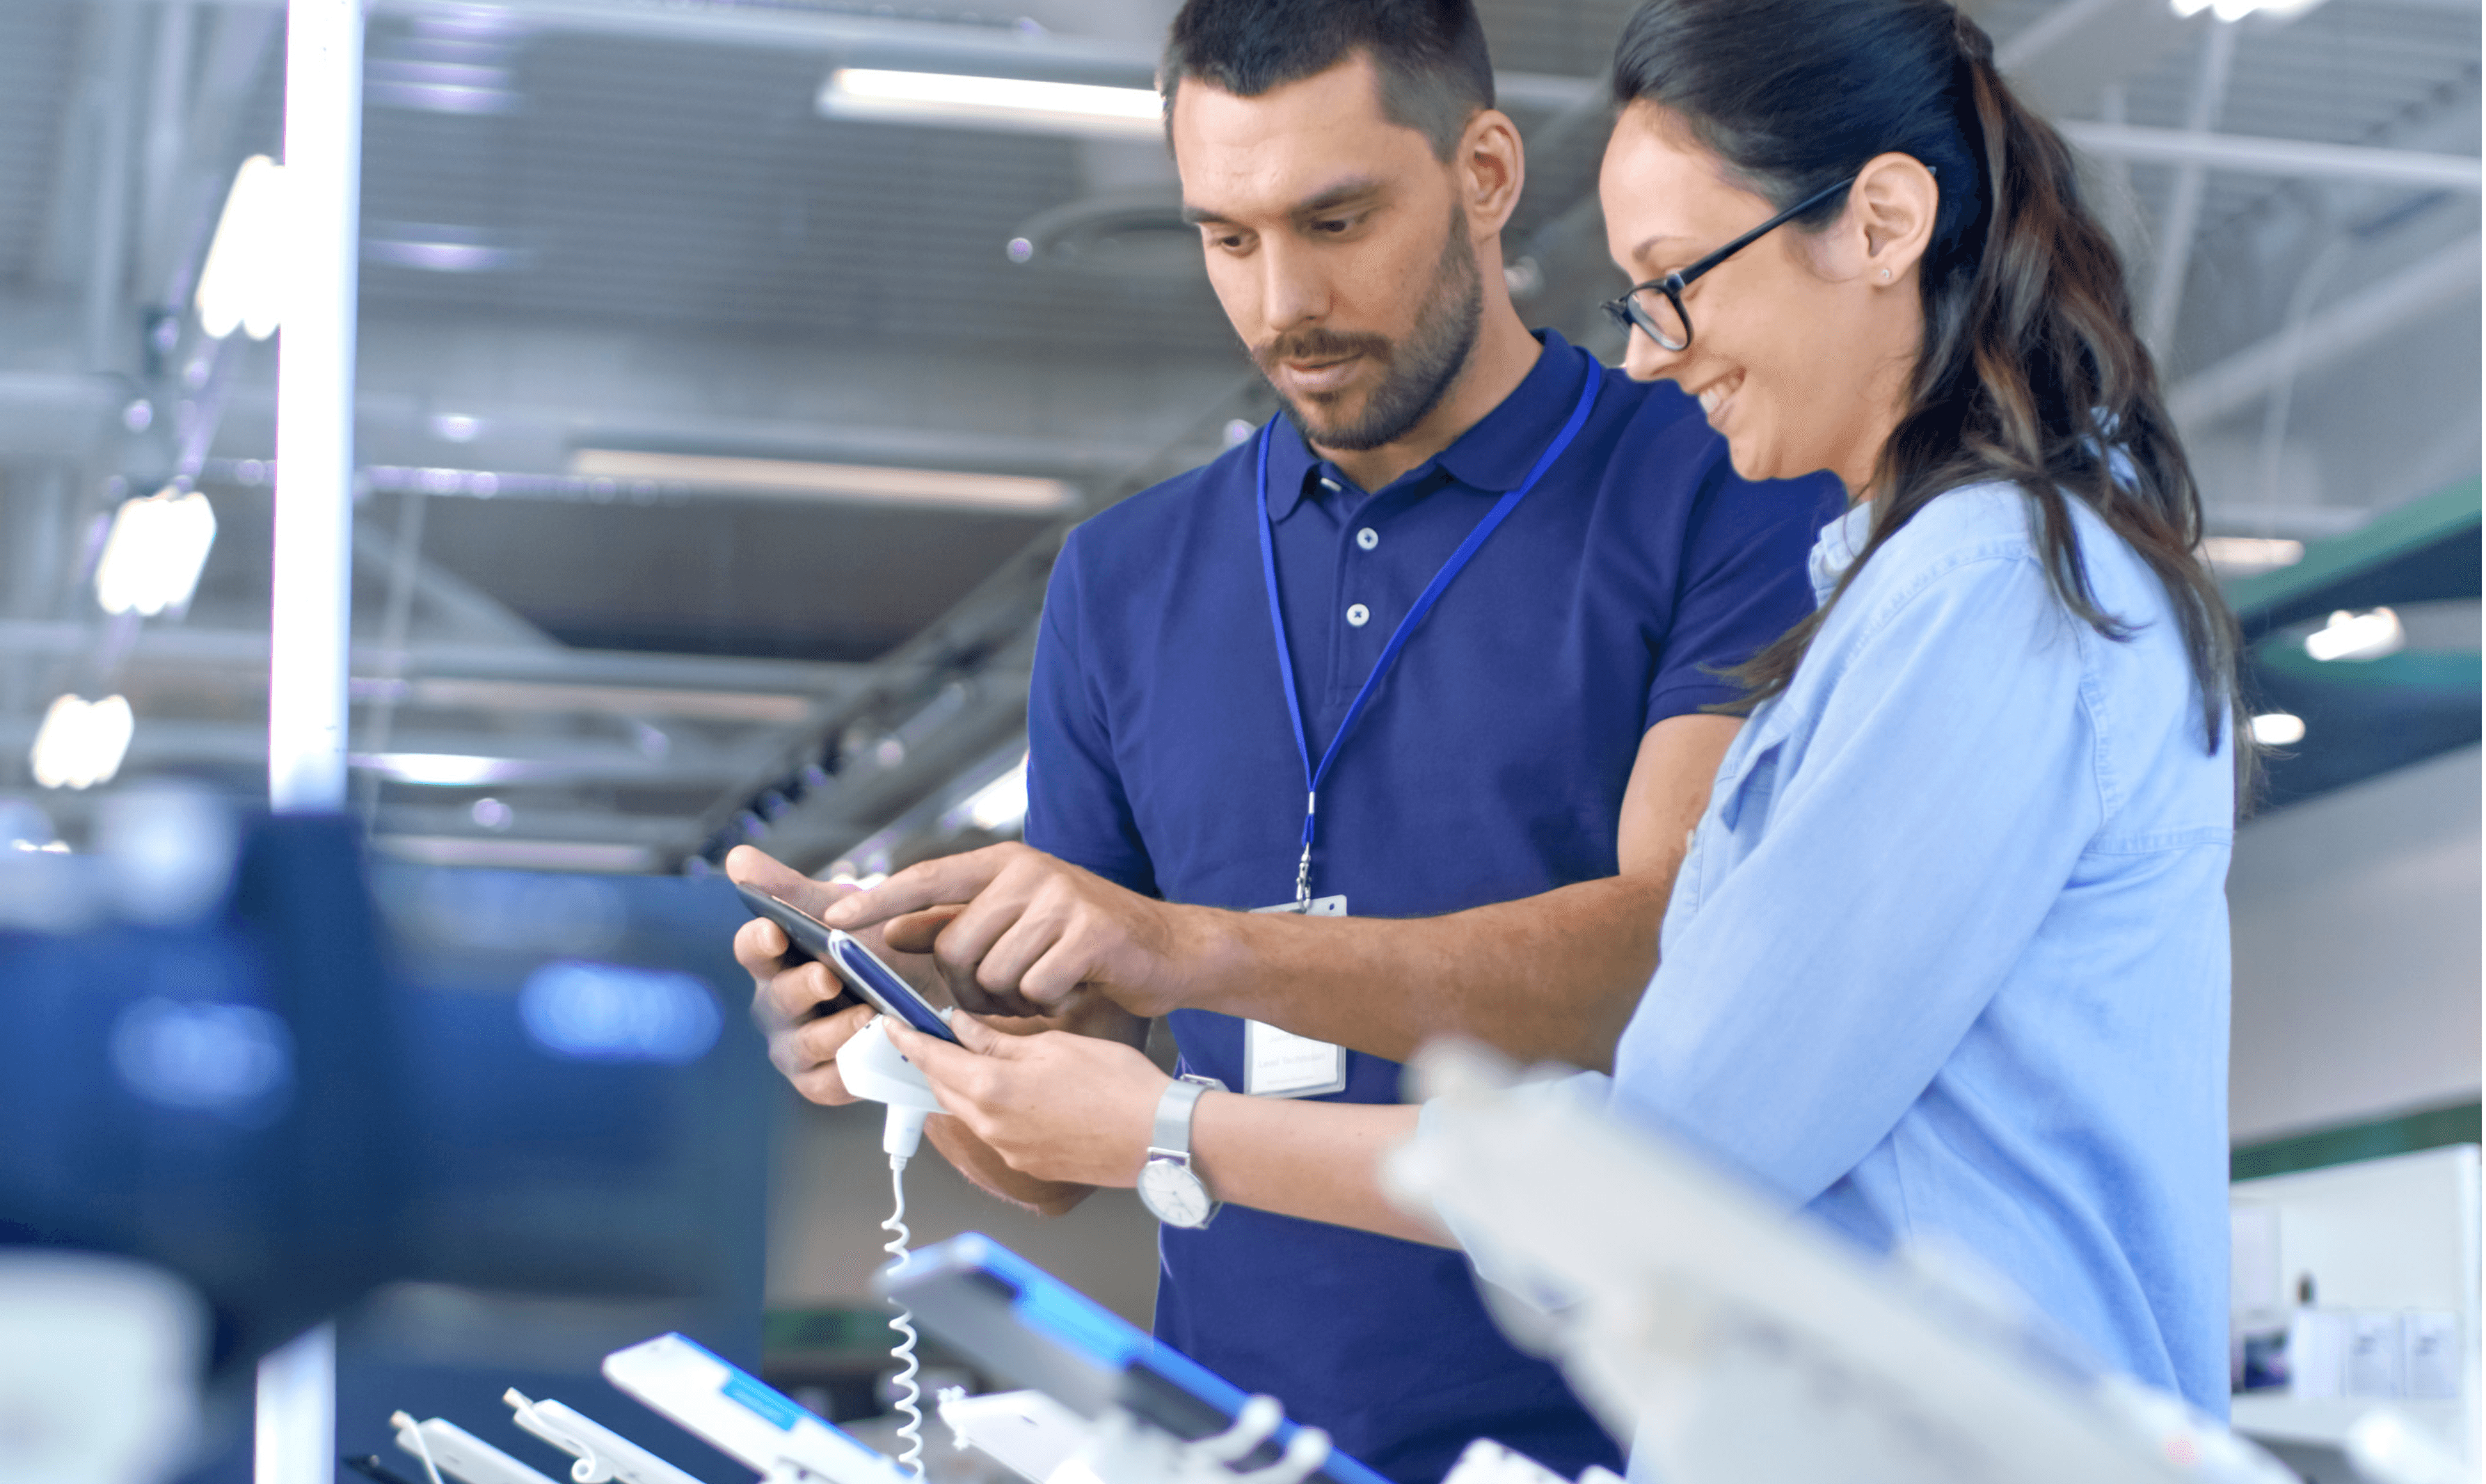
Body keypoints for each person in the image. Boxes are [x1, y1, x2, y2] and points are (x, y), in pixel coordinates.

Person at [845, 0, 2249, 1423]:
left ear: (1882, 225)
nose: (1651, 350)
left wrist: (1176, 1117)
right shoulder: (1898, 595)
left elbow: (1672, 1158)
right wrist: (936, 1034)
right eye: (1227, 236)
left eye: (1675, 279)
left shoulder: (1978, 596)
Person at [731, 1, 1840, 1479]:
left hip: (1626, 1442)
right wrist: (914, 1052)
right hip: (1233, 1441)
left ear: (1489, 171)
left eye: (1336, 218)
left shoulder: (1722, 476)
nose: (1282, 303)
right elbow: (1069, 1143)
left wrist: (1193, 947)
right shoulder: (1124, 580)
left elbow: (1668, 963)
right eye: (1227, 237)